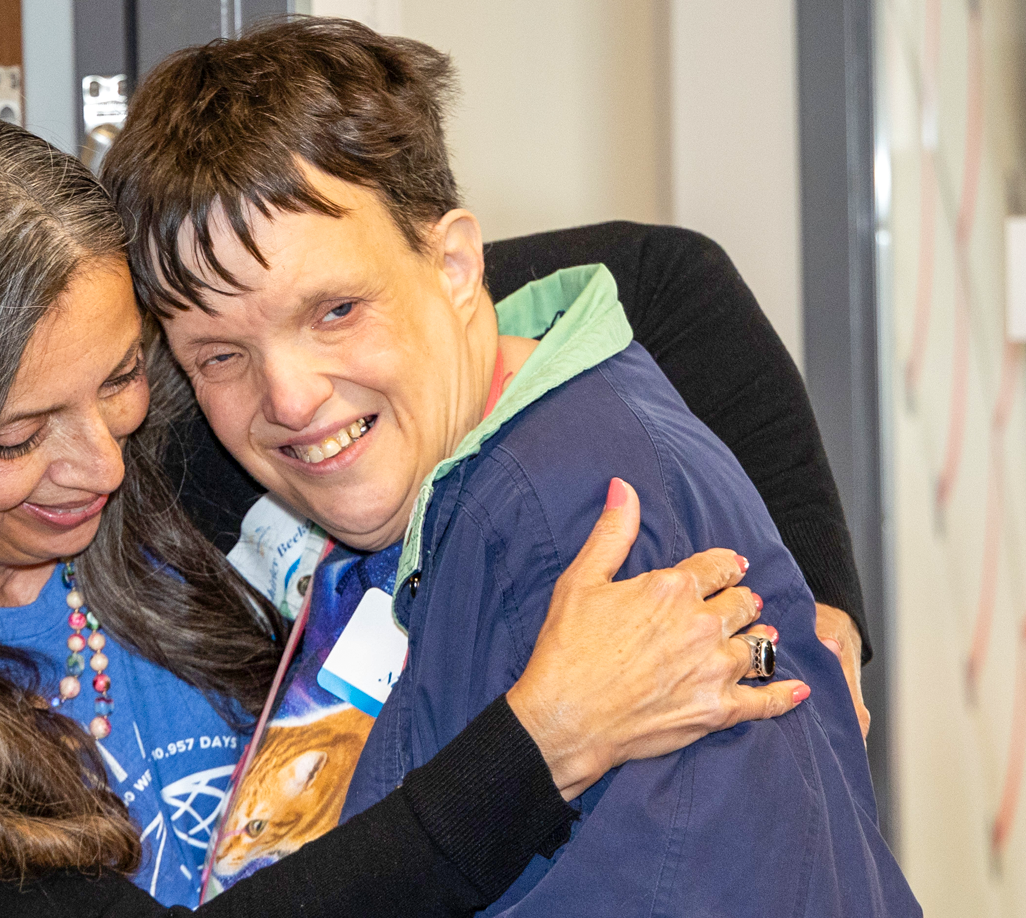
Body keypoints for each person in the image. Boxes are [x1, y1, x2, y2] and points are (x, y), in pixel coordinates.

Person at [0, 107, 839, 918]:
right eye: (11, 441)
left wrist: (827, 614)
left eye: (118, 378)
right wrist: (542, 744)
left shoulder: (192, 427)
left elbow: (667, 281)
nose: (94, 467)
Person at [102, 17, 913, 914]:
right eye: (219, 356)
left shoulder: (575, 536)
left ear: (455, 265)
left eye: (335, 310)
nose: (289, 398)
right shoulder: (424, 479)